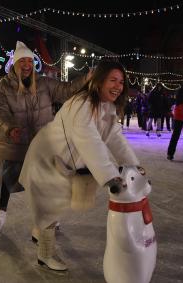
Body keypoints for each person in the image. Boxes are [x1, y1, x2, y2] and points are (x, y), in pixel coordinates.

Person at [19, 60, 142, 271]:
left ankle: (38, 231)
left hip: (62, 160)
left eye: (121, 82)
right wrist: (110, 175)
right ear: (99, 81)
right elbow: (89, 140)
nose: (117, 86)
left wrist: (132, 165)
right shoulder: (82, 104)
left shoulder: (107, 107)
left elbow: (114, 138)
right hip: (47, 158)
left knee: (56, 204)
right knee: (50, 204)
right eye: (112, 80)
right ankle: (45, 255)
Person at [0, 41, 91, 236]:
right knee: (6, 182)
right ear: (15, 64)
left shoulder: (44, 83)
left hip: (41, 144)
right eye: (23, 61)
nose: (27, 65)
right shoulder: (2, 87)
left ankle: (49, 216)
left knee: (46, 183)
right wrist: (10, 128)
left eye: (30, 61)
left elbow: (67, 90)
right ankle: (0, 214)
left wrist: (87, 78)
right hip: (14, 144)